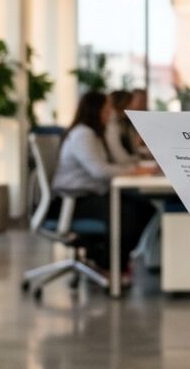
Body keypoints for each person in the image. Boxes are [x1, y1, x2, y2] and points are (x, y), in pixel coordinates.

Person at [55, 89, 154, 274]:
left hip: (92, 194)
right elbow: (99, 170)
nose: (111, 115)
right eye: (107, 110)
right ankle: (108, 264)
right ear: (95, 111)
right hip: (74, 200)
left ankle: (110, 260)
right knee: (126, 215)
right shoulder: (83, 134)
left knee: (145, 208)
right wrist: (133, 171)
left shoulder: (94, 134)